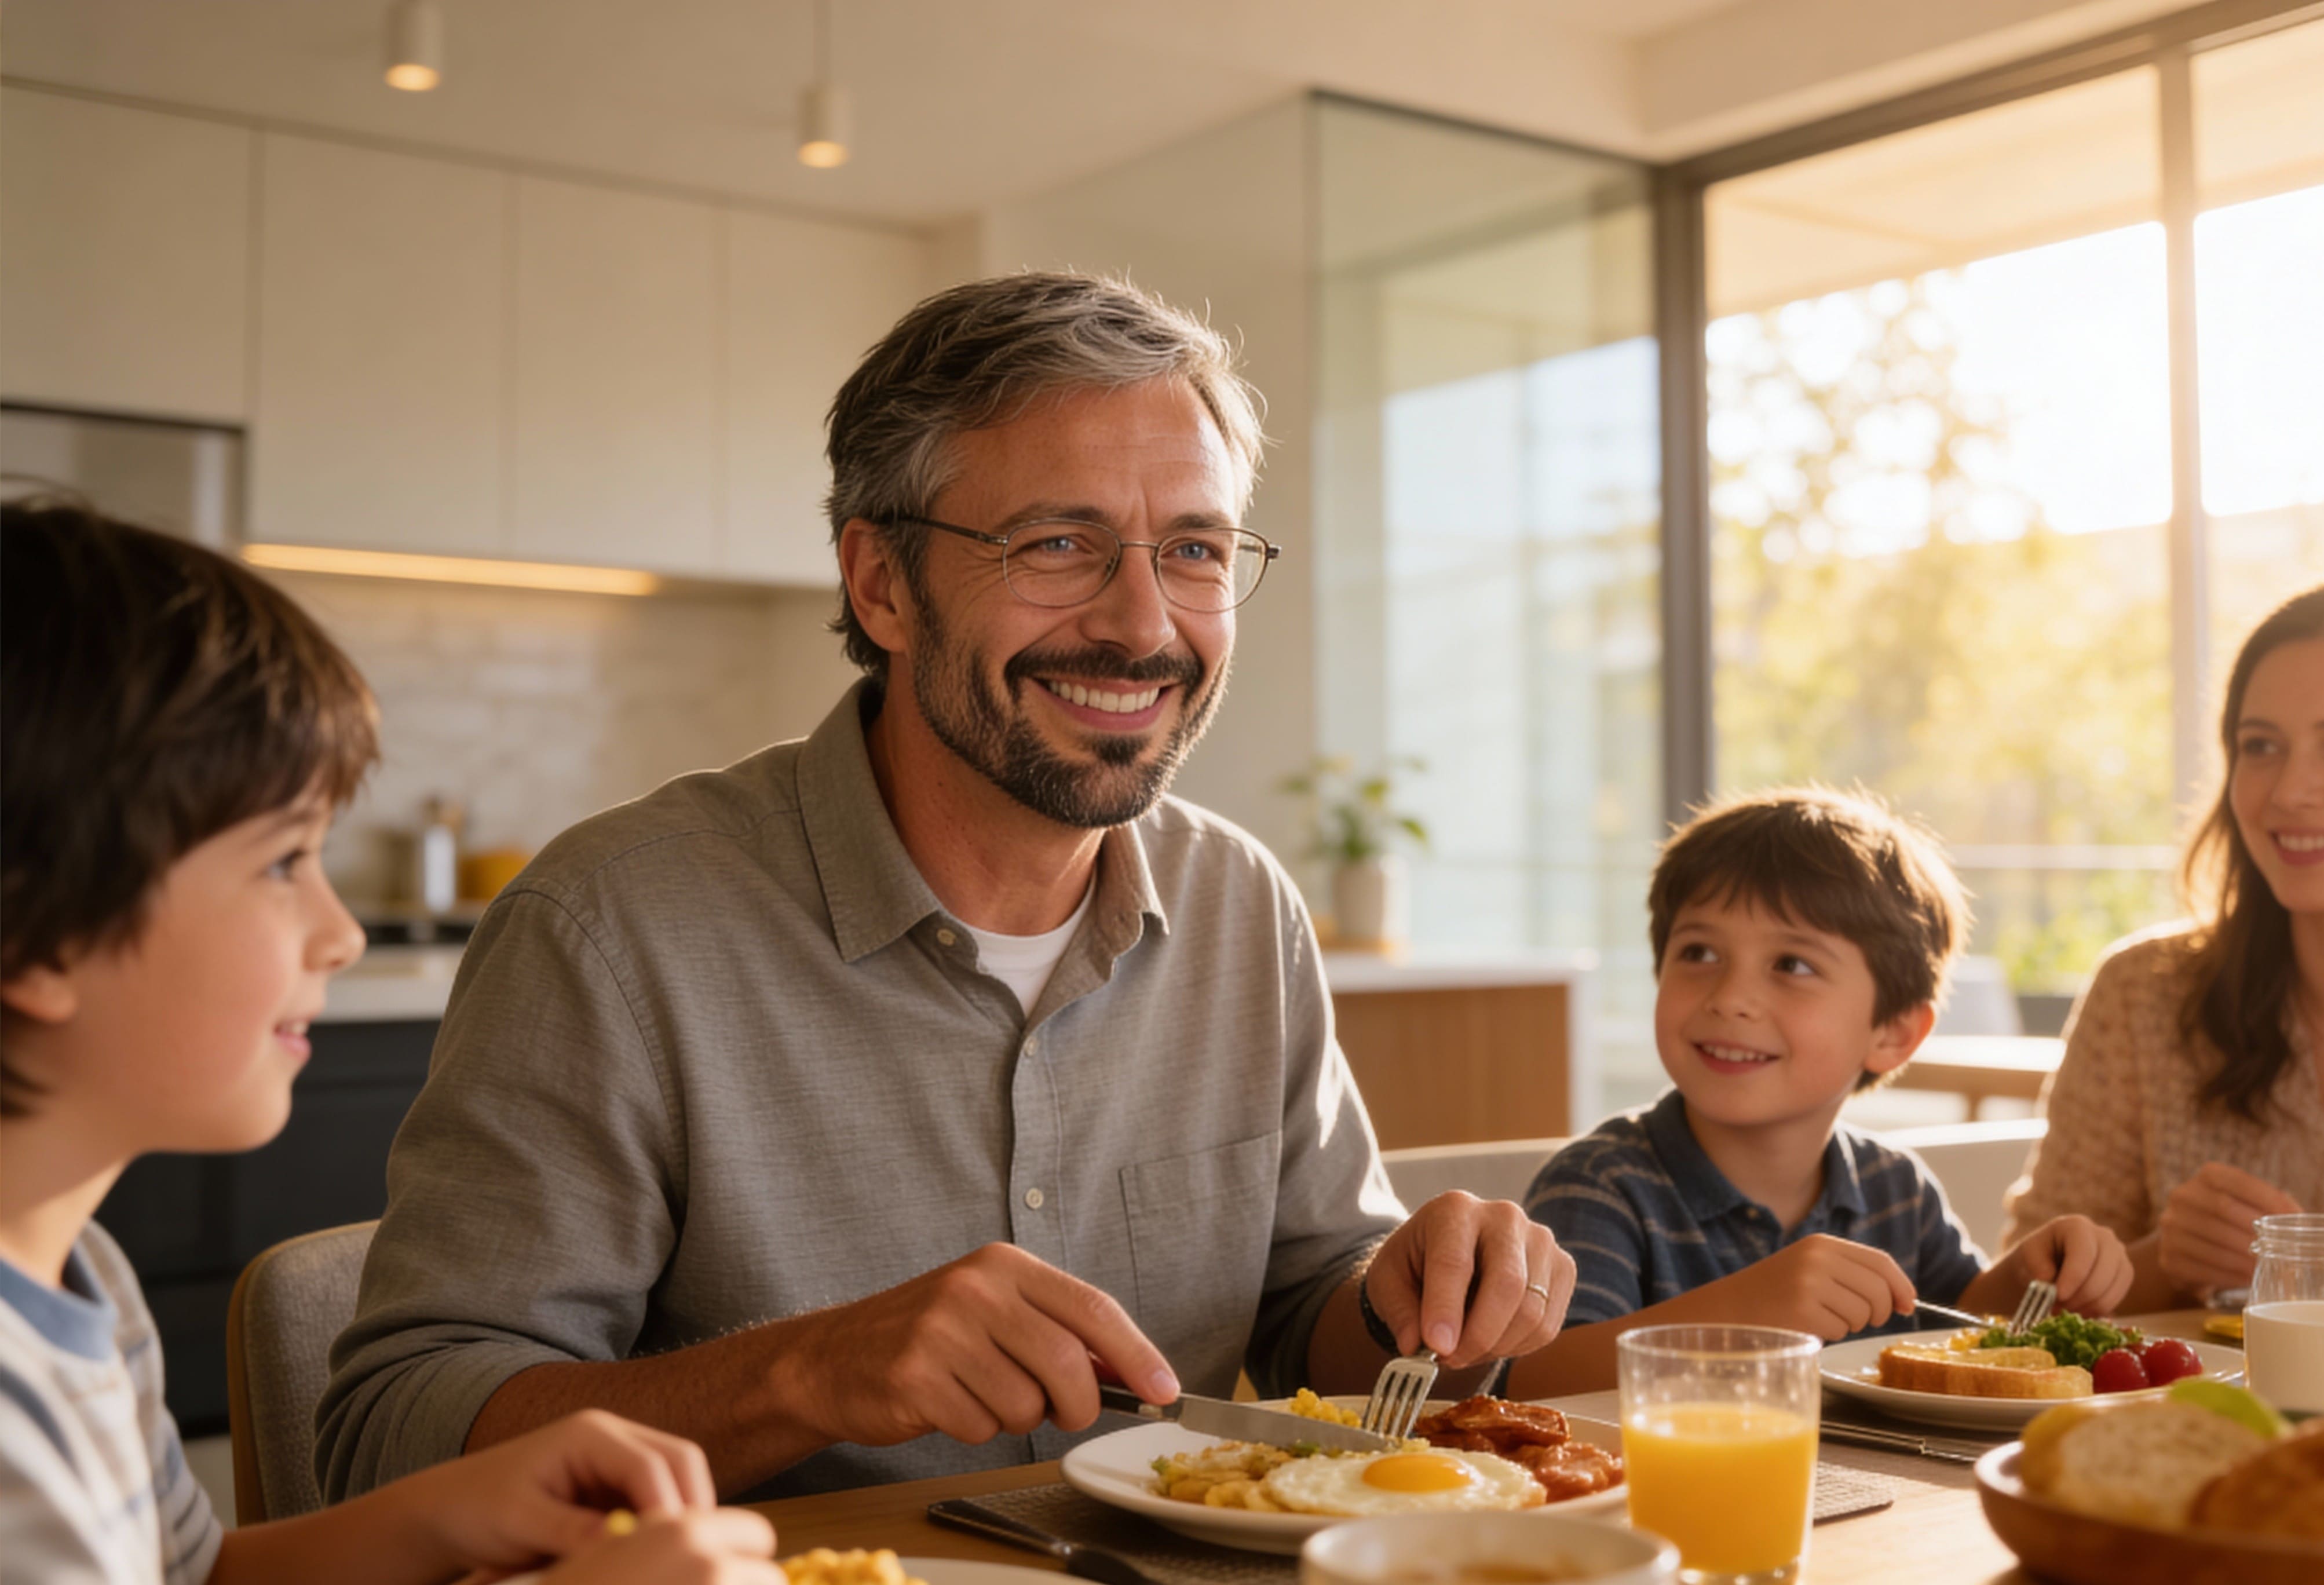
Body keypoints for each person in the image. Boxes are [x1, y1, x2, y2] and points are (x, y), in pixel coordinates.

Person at [317, 272, 1578, 1505]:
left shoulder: (1239, 904)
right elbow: (392, 1444)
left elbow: (1311, 1319)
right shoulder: (612, 930)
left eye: (1192, 549)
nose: (1144, 623)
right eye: (1058, 543)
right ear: (881, 586)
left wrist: (1406, 1293)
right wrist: (804, 1375)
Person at [0, 502, 780, 1583]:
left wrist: (440, 1515)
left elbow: (189, 1574)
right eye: (283, 863)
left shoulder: (78, 1273)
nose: (342, 932)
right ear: (33, 931)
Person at [1508, 787, 2133, 1395]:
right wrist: (1743, 1313)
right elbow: (1534, 1382)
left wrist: (2034, 1277)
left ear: (1892, 1033)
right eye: (1698, 951)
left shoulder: (1895, 1191)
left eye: (1792, 965)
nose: (1728, 998)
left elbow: (1961, 1326)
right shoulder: (1600, 1185)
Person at [2005, 575, 2324, 1307]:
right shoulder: (2143, 995)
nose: (2290, 790)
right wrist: (2159, 1262)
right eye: (2259, 745)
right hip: (2195, 1425)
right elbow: (2015, 1315)